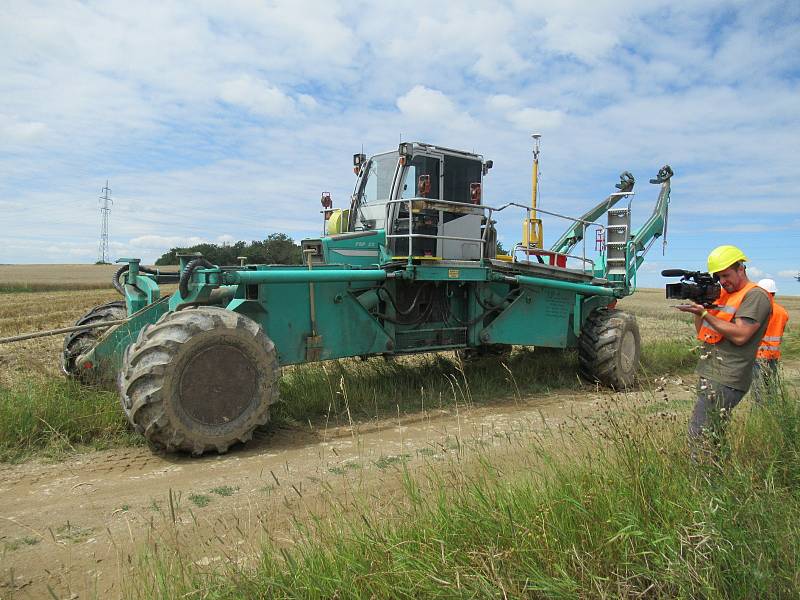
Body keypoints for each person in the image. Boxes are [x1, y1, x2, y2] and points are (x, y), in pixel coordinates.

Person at [675, 245, 772, 460]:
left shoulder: (756, 296)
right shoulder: (727, 296)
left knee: (700, 435)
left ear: (741, 269)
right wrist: (701, 309)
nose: (723, 281)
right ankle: (718, 480)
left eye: (726, 275)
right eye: (719, 277)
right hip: (712, 373)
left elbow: (741, 335)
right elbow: (703, 332)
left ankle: (703, 484)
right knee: (713, 434)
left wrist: (706, 314)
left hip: (728, 377)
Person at [751, 278, 789, 403]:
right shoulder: (783, 312)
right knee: (770, 388)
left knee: (758, 390)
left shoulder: (757, 310)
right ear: (774, 293)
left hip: (758, 354)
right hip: (773, 355)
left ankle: (759, 417)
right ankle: (772, 414)